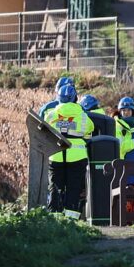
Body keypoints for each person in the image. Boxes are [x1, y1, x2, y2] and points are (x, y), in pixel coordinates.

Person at [44, 84, 94, 219]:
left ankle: (54, 219)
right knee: (74, 188)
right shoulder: (83, 116)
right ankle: (71, 221)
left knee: (55, 187)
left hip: (56, 155)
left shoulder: (51, 114)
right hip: (77, 157)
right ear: (75, 98)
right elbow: (90, 129)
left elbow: (44, 130)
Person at [112, 96, 134, 184]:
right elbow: (121, 147)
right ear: (119, 111)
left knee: (133, 194)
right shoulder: (117, 127)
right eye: (123, 110)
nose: (126, 112)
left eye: (129, 110)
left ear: (132, 111)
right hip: (123, 168)